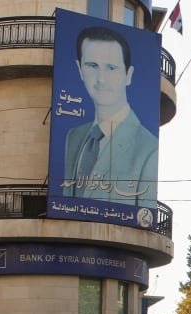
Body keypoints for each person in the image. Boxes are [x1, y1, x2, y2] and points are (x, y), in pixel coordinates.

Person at [62, 26, 158, 209]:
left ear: (128, 75)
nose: (101, 79)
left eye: (111, 68)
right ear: (80, 69)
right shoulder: (74, 137)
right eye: (92, 66)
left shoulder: (149, 150)